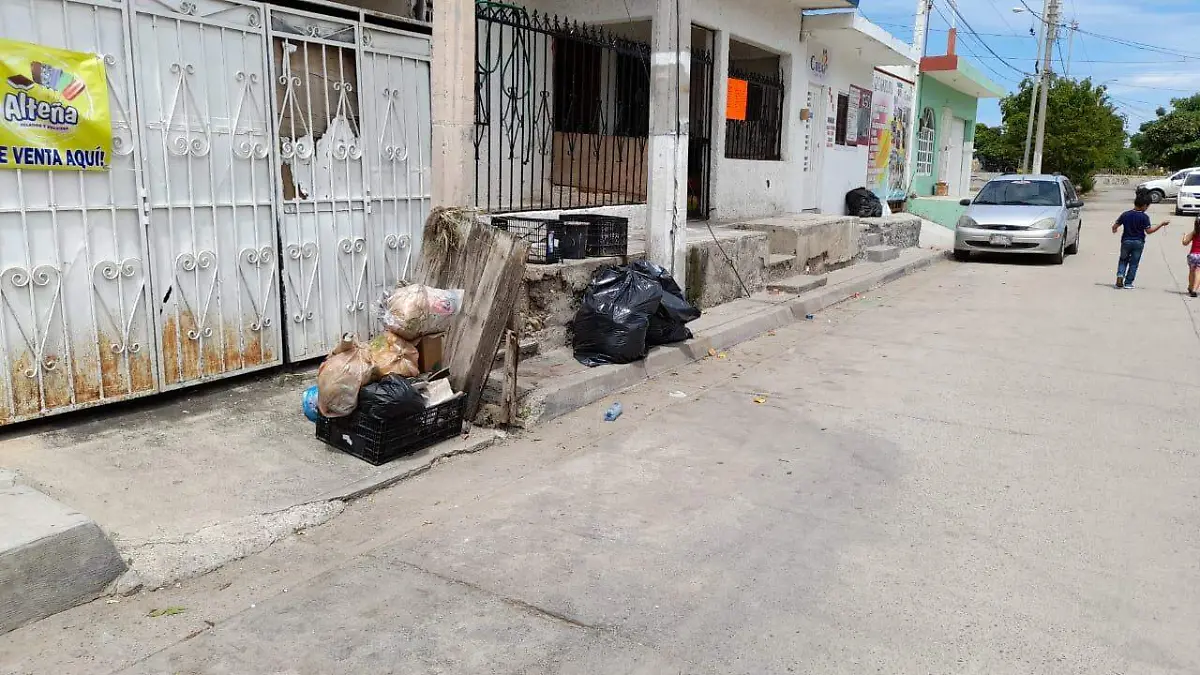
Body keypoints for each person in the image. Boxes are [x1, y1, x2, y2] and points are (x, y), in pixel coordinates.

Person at [1112, 195, 1169, 289]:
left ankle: (1120, 275)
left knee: (1123, 260)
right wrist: (1161, 224)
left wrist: (1114, 230)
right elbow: (1149, 231)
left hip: (1126, 241)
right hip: (1138, 242)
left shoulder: (1125, 214)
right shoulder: (1144, 217)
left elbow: (1115, 226)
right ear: (1144, 206)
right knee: (1134, 263)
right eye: (1147, 206)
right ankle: (1128, 283)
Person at [1182, 217, 1200, 297]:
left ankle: (1190, 286)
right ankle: (1194, 290)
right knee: (1198, 272)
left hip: (1193, 255)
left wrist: (1184, 236)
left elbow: (1185, 243)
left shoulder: (1194, 232)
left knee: (1192, 272)